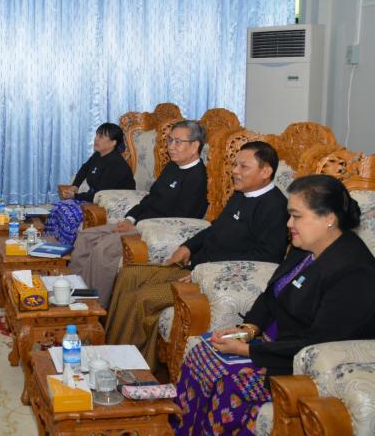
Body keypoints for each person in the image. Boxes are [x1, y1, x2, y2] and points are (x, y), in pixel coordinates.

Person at [173, 174, 375, 435]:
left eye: (296, 216)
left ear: (329, 218)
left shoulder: (354, 271)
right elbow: (272, 293)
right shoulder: (305, 246)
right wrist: (248, 329)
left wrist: (248, 351)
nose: (289, 224)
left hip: (297, 365)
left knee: (227, 383)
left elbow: (317, 346)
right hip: (271, 342)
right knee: (201, 353)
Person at [105, 141, 289, 368]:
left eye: (243, 166)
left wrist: (203, 273)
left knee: (141, 299)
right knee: (128, 275)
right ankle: (108, 351)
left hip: (210, 280)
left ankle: (128, 369)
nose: (234, 171)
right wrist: (188, 247)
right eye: (235, 165)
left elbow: (268, 257)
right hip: (193, 266)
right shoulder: (241, 194)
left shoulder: (275, 207)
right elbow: (215, 227)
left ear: (265, 171)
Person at [68, 120, 209, 306]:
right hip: (138, 223)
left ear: (195, 146)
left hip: (154, 232)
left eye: (178, 142)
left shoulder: (198, 178)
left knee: (104, 248)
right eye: (170, 141)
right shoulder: (172, 167)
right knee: (86, 236)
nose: (171, 147)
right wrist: (129, 218)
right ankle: (73, 292)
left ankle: (92, 305)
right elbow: (150, 198)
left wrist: (137, 227)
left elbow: (180, 220)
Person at [45, 123, 135, 245]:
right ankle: (51, 245)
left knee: (69, 214)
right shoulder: (98, 155)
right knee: (58, 207)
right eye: (97, 135)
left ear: (113, 142)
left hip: (108, 204)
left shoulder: (116, 164)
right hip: (94, 198)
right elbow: (84, 169)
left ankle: (67, 248)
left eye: (101, 136)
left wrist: (75, 196)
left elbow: (100, 193)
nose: (96, 139)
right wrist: (75, 185)